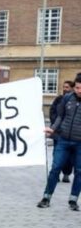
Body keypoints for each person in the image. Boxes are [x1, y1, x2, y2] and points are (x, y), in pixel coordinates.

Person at [38, 77, 81, 211]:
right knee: (55, 168)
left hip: (79, 143)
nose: (79, 91)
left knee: (79, 172)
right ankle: (46, 197)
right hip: (63, 140)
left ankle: (73, 199)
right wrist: (53, 128)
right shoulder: (67, 98)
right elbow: (60, 116)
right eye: (77, 88)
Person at [50, 80, 74, 183]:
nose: (65, 89)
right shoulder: (58, 99)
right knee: (56, 154)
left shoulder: (75, 100)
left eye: (67, 87)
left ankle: (66, 174)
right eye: (64, 87)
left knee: (69, 156)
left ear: (72, 88)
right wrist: (56, 126)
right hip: (57, 133)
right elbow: (53, 112)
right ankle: (56, 173)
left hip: (70, 134)